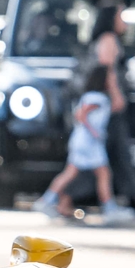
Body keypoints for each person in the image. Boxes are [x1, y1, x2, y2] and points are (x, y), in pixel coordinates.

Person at [77, 16, 135, 216]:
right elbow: (107, 69)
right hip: (106, 107)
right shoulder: (108, 39)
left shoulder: (107, 39)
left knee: (112, 157)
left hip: (105, 107)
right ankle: (60, 197)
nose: (125, 22)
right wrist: (117, 96)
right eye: (120, 16)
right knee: (106, 157)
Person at [35, 86, 114, 221]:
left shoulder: (90, 95)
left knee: (71, 172)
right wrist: (93, 131)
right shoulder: (98, 97)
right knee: (103, 173)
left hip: (81, 141)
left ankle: (46, 200)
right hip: (89, 143)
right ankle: (110, 209)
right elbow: (80, 114)